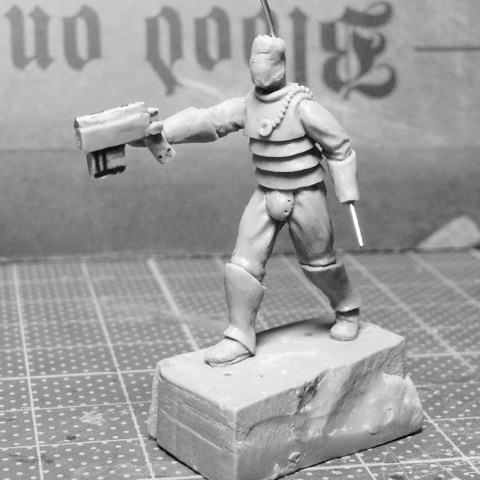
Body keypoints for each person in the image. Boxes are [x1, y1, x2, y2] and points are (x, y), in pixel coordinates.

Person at [150, 35, 362, 367]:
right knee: (242, 265)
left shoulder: (303, 108)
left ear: (281, 65)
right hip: (266, 193)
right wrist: (162, 132)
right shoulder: (245, 105)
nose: (259, 68)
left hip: (306, 194)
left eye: (267, 60)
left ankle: (347, 307)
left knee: (319, 264)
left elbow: (339, 147)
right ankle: (239, 335)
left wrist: (346, 190)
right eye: (254, 60)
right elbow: (208, 120)